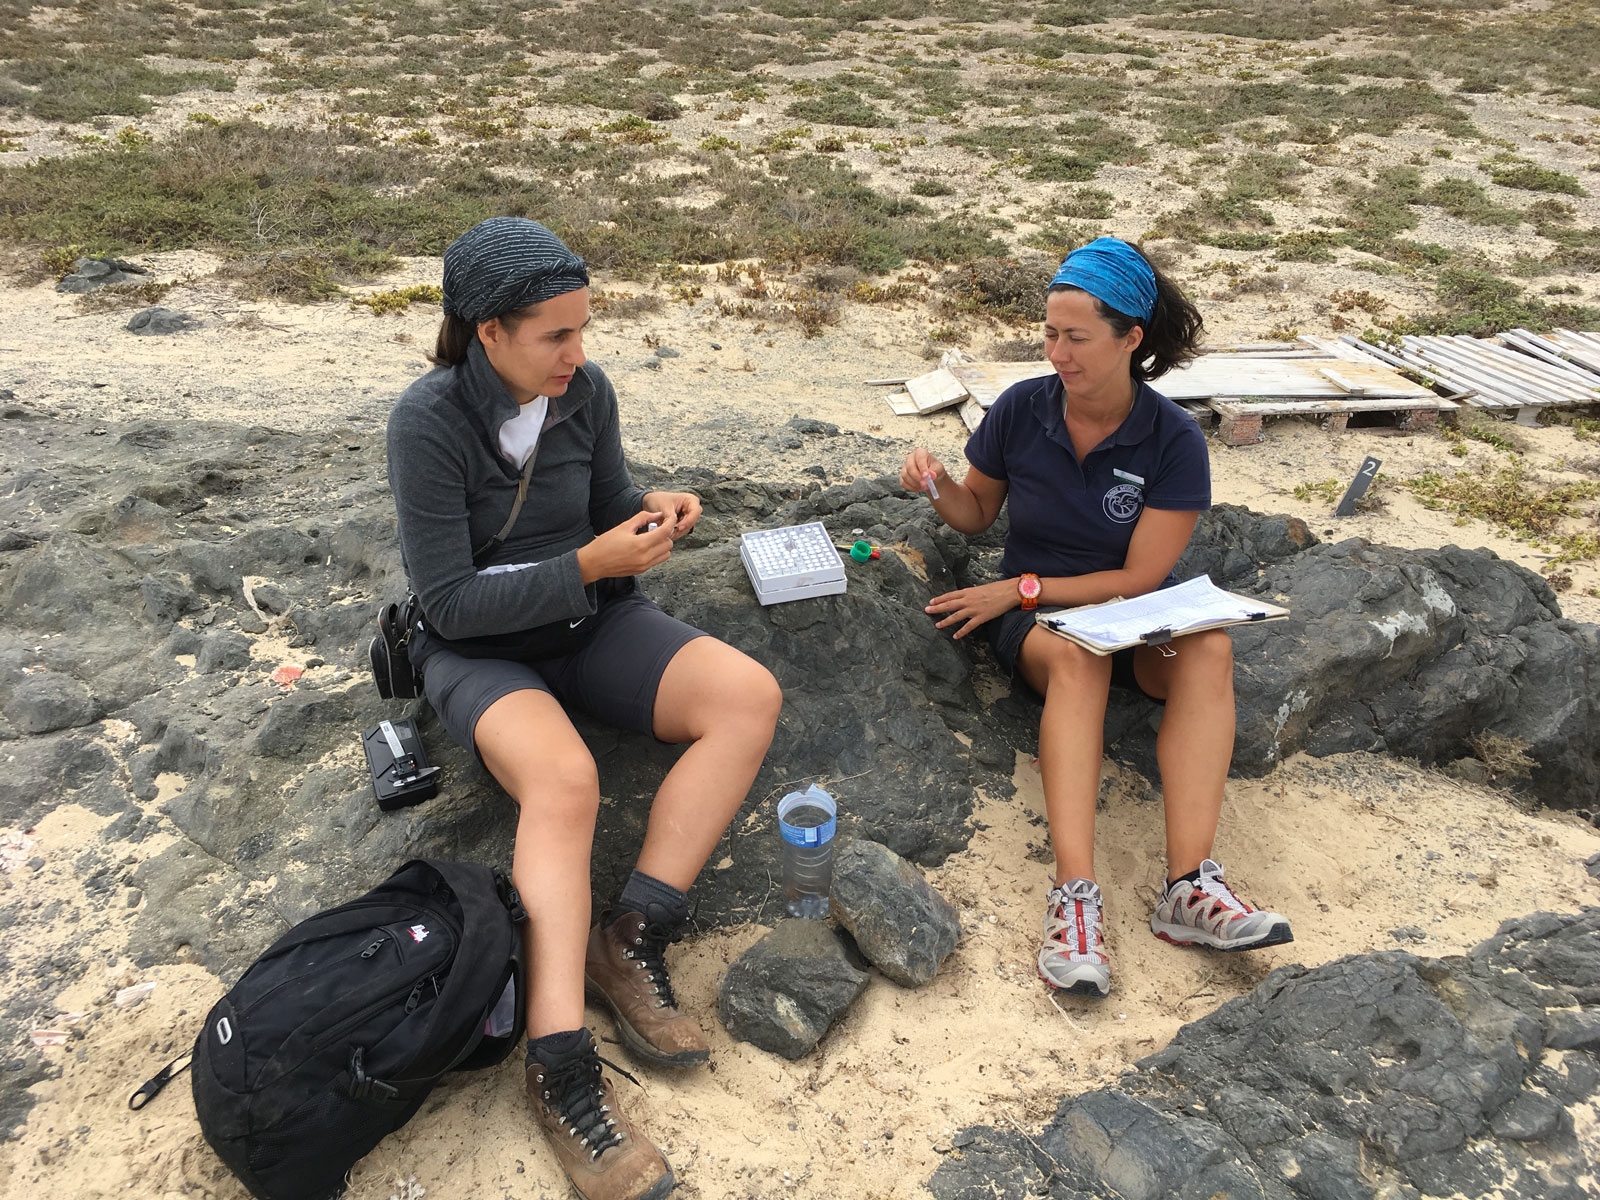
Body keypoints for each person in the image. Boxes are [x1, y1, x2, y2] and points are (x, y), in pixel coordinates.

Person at [386, 217, 782, 1200]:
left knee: (746, 696)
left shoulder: (586, 391)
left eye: (582, 330)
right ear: (488, 332)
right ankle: (558, 1063)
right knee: (566, 782)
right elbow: (449, 603)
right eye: (554, 335)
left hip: (591, 623)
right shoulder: (427, 421)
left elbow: (607, 503)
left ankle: (631, 935)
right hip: (480, 655)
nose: (576, 354)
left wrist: (652, 513)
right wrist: (586, 565)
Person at [899, 237, 1291, 1000]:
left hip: (1124, 612)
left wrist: (1017, 589)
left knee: (1210, 650)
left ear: (1130, 339)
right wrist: (937, 482)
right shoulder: (1021, 409)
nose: (1058, 353)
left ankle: (1189, 887)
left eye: (1076, 337)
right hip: (1047, 624)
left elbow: (1142, 578)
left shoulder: (1173, 439)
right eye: (1050, 333)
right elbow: (976, 515)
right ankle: (1074, 898)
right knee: (1077, 661)